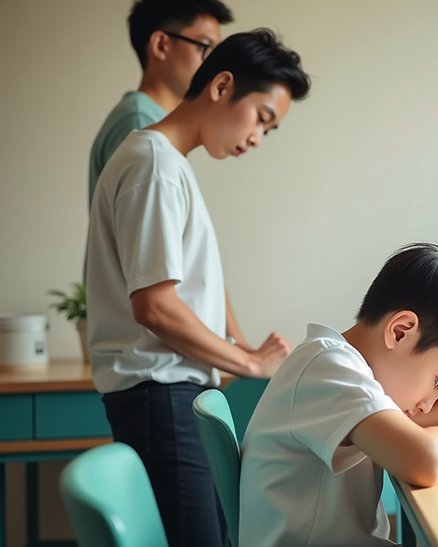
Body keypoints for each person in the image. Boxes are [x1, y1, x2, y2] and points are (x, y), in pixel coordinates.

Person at [86, 29, 311, 547]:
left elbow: (182, 293)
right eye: (261, 118)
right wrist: (249, 363)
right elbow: (156, 307)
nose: (257, 138)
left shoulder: (167, 165)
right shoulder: (154, 165)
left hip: (170, 395)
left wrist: (239, 350)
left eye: (268, 130)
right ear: (221, 85)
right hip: (160, 395)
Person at [239, 243, 438, 547]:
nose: (427, 407)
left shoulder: (360, 376)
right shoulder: (330, 369)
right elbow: (425, 462)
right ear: (400, 332)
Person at [89, 0, 234, 209]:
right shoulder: (139, 123)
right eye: (206, 48)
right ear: (161, 45)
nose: (213, 66)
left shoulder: (153, 119)